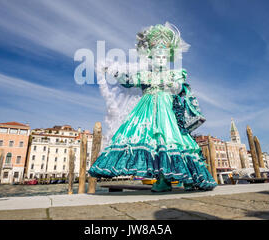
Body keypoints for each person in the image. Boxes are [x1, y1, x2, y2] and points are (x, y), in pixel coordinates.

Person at [88, 23, 217, 192]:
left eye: (164, 57)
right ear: (151, 57)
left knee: (171, 140)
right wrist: (113, 71)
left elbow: (180, 88)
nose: (161, 60)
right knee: (153, 142)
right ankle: (163, 180)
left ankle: (189, 178)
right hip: (146, 112)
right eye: (158, 57)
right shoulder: (144, 74)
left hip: (167, 111)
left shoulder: (174, 74)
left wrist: (169, 83)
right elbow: (128, 82)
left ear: (168, 57)